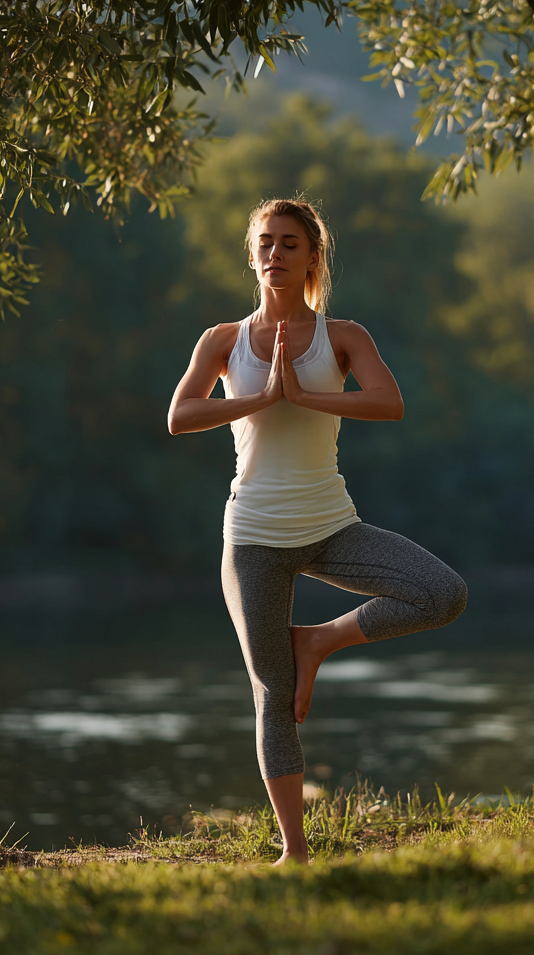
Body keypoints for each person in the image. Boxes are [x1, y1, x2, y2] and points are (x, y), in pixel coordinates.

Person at [168, 197, 467, 865]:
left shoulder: (343, 336)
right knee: (272, 694)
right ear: (252, 254)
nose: (275, 254)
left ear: (313, 257)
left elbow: (388, 402)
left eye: (290, 244)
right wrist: (260, 399)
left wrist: (305, 396)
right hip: (252, 538)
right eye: (265, 243)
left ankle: (320, 641)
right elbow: (180, 416)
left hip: (332, 526)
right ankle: (293, 851)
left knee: (442, 593)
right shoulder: (224, 340)